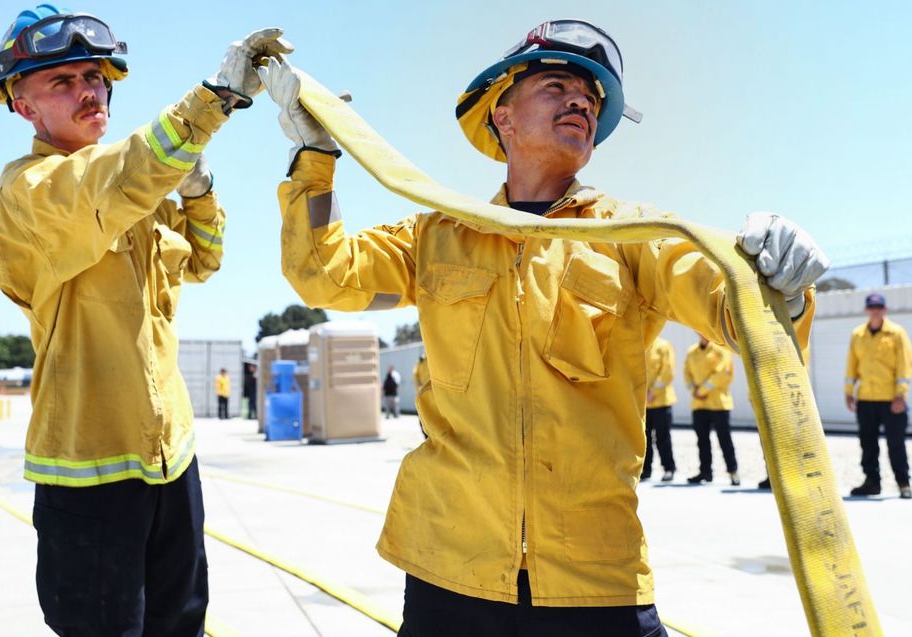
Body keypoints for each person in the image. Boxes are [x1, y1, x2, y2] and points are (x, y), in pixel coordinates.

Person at [262, 18, 827, 635]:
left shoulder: (636, 236)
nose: (580, 100)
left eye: (591, 96)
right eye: (557, 85)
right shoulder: (439, 237)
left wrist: (784, 289)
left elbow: (737, 316)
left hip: (594, 578)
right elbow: (324, 275)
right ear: (501, 117)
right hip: (449, 567)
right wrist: (313, 158)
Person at [0, 5, 290, 633]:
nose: (88, 89)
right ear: (23, 106)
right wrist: (213, 102)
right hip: (91, 472)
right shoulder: (30, 190)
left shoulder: (135, 198)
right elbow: (107, 180)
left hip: (172, 459)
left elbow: (203, 259)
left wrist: (197, 192)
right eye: (60, 82)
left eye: (94, 75)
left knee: (182, 624)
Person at [845, 293, 911, 499]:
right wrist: (849, 393)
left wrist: (900, 396)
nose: (875, 310)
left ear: (884, 309)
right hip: (865, 399)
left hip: (891, 400)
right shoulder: (858, 335)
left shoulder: (896, 333)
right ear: (866, 310)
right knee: (868, 443)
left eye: (879, 307)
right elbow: (851, 366)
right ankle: (872, 483)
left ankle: (904, 484)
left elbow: (905, 366)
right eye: (872, 307)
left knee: (896, 444)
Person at [684, 334, 739, 486]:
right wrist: (693, 390)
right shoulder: (692, 352)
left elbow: (721, 374)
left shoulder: (721, 351)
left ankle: (733, 472)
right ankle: (705, 472)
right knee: (702, 440)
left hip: (718, 403)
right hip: (699, 405)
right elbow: (687, 374)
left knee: (724, 439)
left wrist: (700, 391)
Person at [643, 336, 676, 482]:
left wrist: (653, 392)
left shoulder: (663, 345)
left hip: (662, 401)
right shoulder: (640, 345)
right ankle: (645, 469)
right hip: (643, 403)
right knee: (644, 439)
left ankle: (669, 469)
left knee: (663, 438)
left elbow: (667, 372)